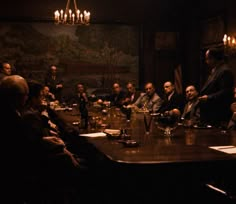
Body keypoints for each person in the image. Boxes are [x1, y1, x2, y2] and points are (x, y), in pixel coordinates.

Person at [199, 47, 235, 127]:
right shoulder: (216, 70)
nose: (206, 61)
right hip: (211, 114)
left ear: (214, 58)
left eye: (207, 59)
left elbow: (226, 92)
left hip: (218, 115)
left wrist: (208, 97)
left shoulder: (225, 71)